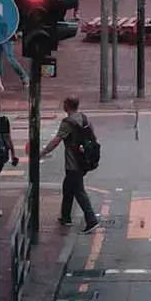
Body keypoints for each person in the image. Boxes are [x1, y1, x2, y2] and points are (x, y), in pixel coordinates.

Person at [41, 96, 101, 232]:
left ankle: (91, 219)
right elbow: (92, 137)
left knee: (78, 190)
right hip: (84, 159)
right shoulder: (83, 118)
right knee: (68, 188)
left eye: (64, 103)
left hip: (74, 163)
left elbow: (56, 141)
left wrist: (43, 152)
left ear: (67, 105)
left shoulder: (67, 122)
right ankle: (66, 217)